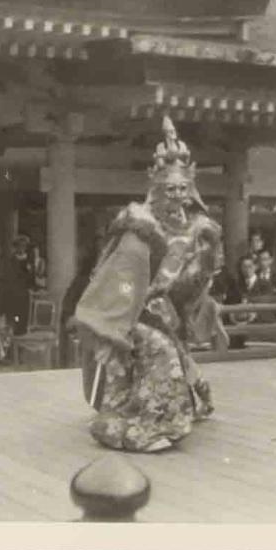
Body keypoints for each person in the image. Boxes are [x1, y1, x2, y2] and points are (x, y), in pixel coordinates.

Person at [72, 116, 223, 453]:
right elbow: (120, 277)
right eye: (170, 189)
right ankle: (150, 425)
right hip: (132, 312)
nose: (177, 196)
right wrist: (120, 318)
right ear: (156, 187)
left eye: (183, 188)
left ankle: (165, 412)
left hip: (166, 311)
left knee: (178, 355)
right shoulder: (140, 225)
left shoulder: (196, 227)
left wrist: (209, 253)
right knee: (161, 350)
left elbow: (187, 287)